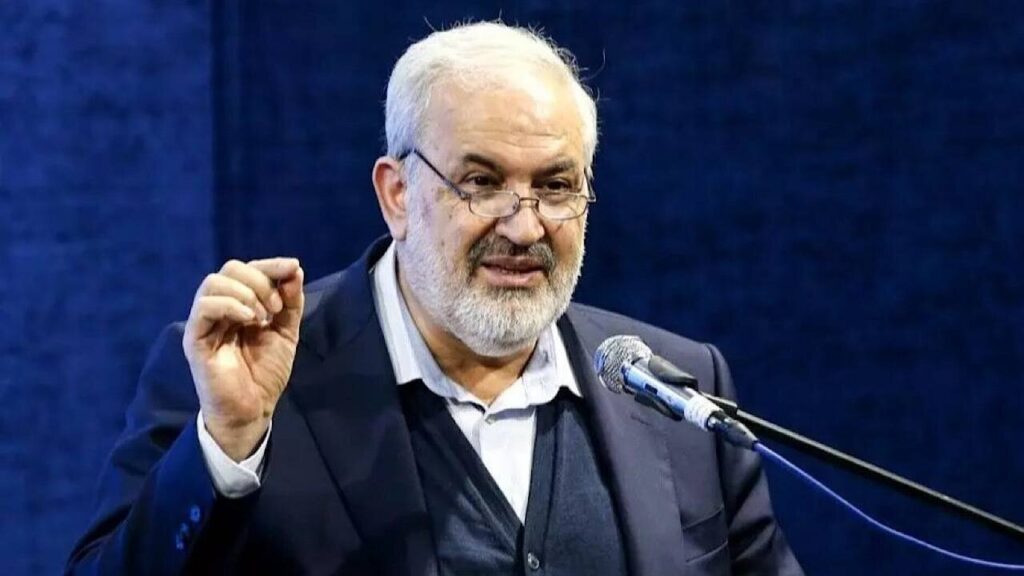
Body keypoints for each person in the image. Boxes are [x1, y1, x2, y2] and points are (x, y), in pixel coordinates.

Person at [68, 21, 803, 576]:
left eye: (555, 186)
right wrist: (227, 448)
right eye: (481, 183)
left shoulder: (678, 393)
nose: (524, 227)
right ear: (396, 194)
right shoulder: (247, 378)